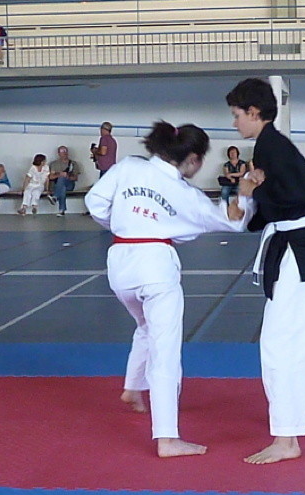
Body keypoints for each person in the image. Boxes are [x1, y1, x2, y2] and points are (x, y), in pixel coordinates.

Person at [85, 121, 255, 458]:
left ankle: (133, 387)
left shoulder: (128, 167)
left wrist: (126, 223)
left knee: (145, 326)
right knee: (165, 351)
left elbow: (95, 202)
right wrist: (246, 191)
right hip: (156, 266)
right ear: (192, 159)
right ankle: (167, 438)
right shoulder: (186, 194)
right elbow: (233, 221)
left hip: (119, 263)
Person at [226, 78, 305, 465]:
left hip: (299, 252)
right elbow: (281, 204)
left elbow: (291, 201)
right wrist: (252, 189)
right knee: (304, 337)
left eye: (237, 115)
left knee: (278, 343)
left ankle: (287, 439)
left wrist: (251, 191)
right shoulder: (271, 146)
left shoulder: (271, 147)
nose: (235, 123)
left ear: (254, 112)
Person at [48, 146, 82, 216]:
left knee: (62, 180)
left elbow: (75, 178)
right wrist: (59, 174)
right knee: (62, 188)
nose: (65, 153)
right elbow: (51, 177)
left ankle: (55, 197)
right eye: (62, 152)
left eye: (65, 151)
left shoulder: (73, 163)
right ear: (59, 154)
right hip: (56, 185)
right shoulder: (54, 164)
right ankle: (61, 210)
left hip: (69, 184)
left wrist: (67, 177)